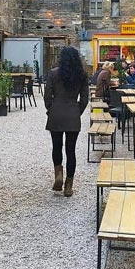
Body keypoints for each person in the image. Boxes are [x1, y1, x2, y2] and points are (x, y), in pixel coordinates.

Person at [44, 47, 89, 197]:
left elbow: (47, 96)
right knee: (71, 150)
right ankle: (69, 185)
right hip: (72, 114)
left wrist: (51, 109)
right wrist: (77, 111)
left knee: (56, 146)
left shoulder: (53, 73)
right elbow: (84, 99)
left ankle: (58, 175)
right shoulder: (82, 75)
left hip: (56, 113)